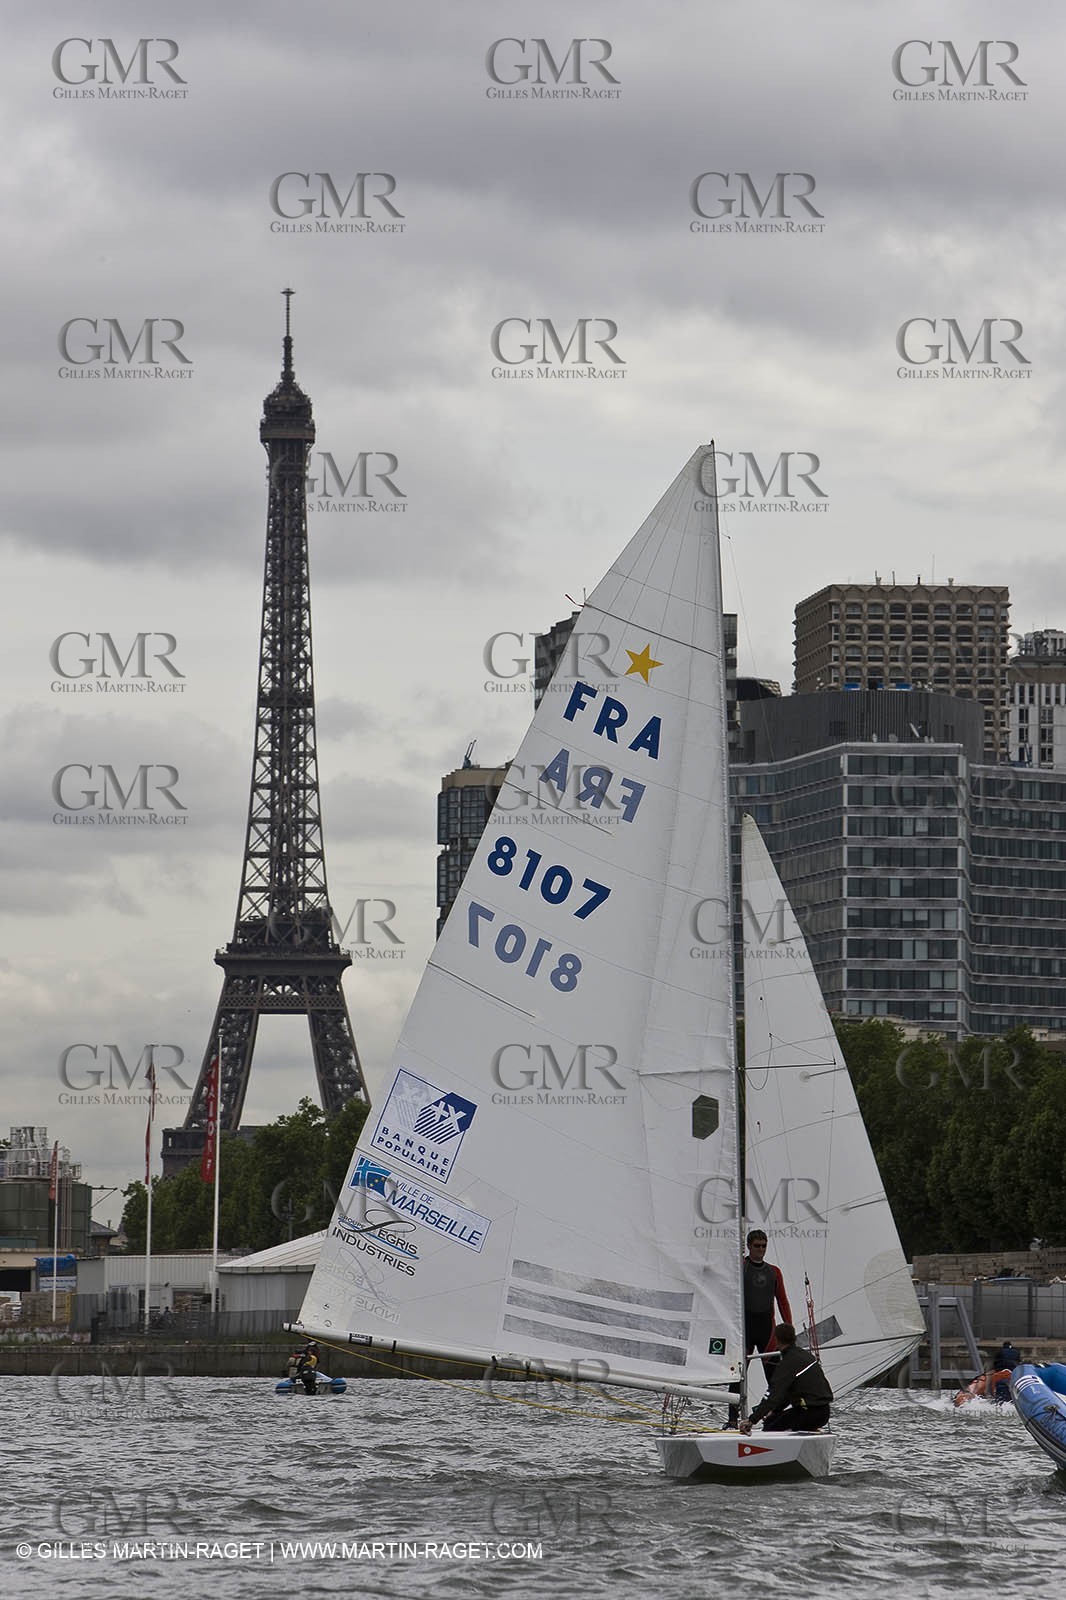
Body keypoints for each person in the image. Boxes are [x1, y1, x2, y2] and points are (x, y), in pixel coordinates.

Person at [727, 1230, 793, 1426]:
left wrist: (788, 1328)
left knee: (776, 1380)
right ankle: (732, 1420)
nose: (761, 1250)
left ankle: (770, 1415)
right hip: (744, 1331)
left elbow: (782, 1301)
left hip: (767, 1332)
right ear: (749, 1246)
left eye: (764, 1246)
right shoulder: (741, 1268)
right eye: (757, 1246)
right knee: (737, 1378)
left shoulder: (774, 1272)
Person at [739, 1323, 833, 1434]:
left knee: (770, 1425)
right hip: (823, 1412)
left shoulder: (787, 1363)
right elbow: (787, 1395)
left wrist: (751, 1420)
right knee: (774, 1419)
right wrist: (775, 1411)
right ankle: (806, 1432)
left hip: (810, 1413)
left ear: (777, 1340)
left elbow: (772, 1395)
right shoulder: (805, 1355)